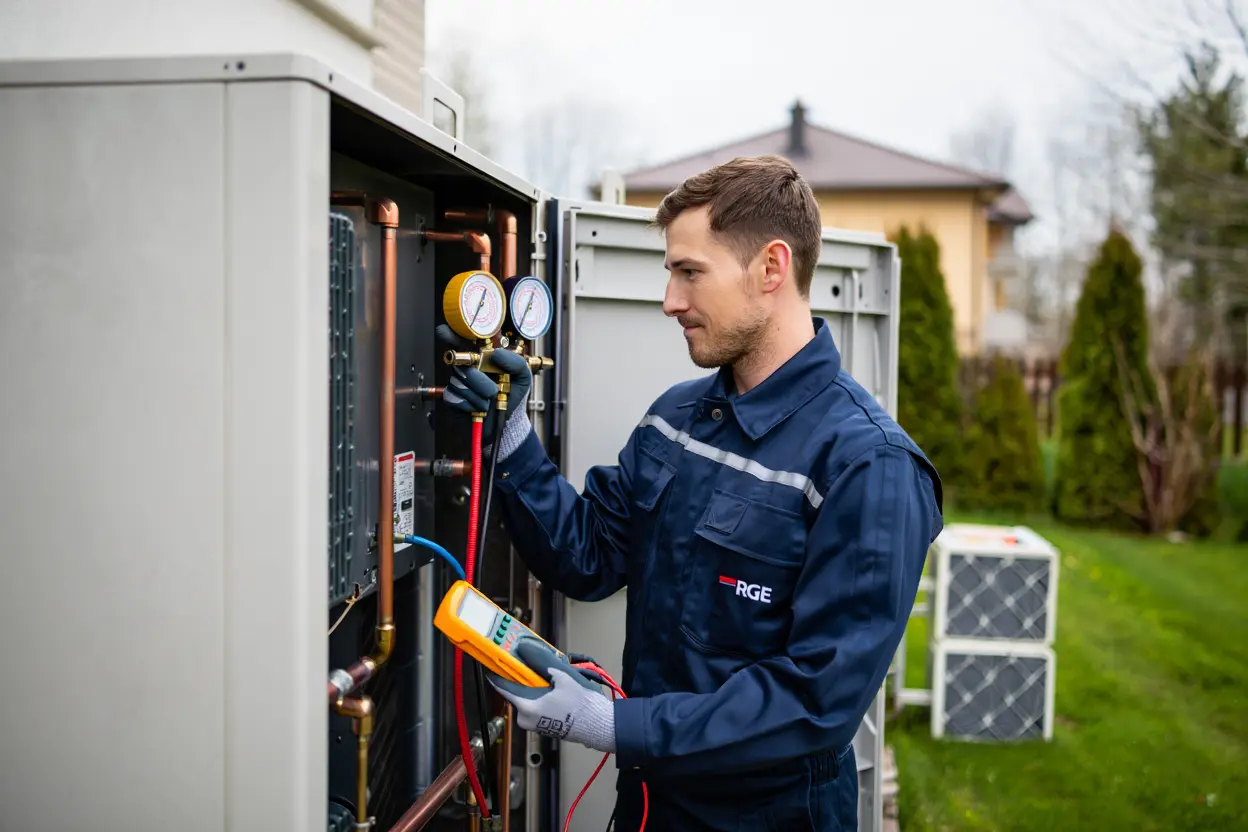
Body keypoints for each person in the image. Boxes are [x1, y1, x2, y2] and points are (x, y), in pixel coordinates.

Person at [436, 154, 944, 832]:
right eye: (671, 272)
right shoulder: (677, 418)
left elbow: (816, 701)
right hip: (650, 806)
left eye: (690, 272)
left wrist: (615, 722)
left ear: (771, 268)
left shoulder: (868, 466)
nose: (671, 299)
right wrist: (512, 440)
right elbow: (589, 557)